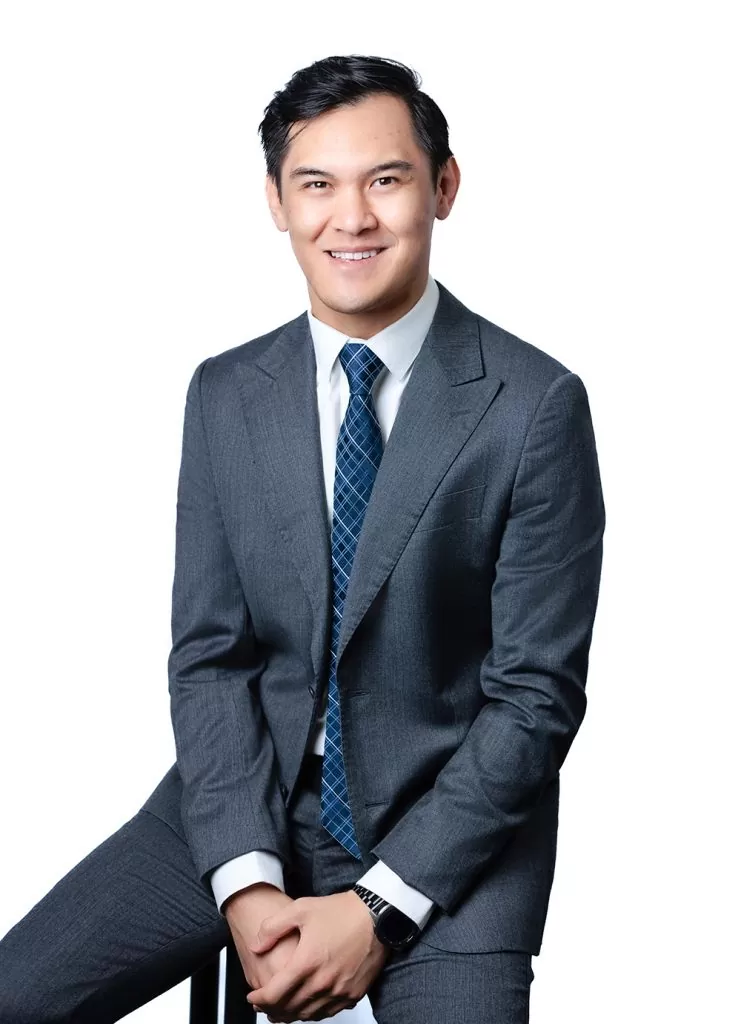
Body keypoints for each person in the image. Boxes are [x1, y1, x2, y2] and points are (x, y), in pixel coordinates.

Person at [0, 54, 606, 1023]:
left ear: (444, 187)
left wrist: (378, 908)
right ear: (277, 202)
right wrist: (243, 877)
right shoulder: (226, 394)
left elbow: (534, 700)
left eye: (386, 179)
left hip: (455, 837)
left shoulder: (534, 406)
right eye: (317, 184)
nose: (350, 218)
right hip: (246, 798)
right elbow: (210, 657)